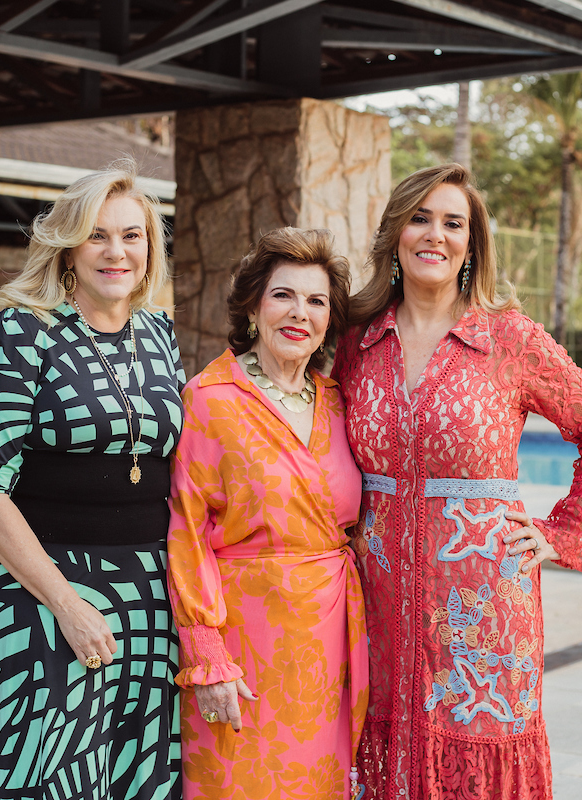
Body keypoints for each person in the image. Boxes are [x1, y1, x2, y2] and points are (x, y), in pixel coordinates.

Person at [332, 163, 582, 800]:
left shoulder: (509, 339)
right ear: (396, 233)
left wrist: (565, 531)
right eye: (419, 218)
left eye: (452, 223)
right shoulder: (357, 340)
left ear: (472, 243)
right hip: (376, 603)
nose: (434, 235)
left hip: (484, 609)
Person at [0, 164, 184, 800]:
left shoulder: (158, 335)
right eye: (98, 235)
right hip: (49, 588)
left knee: (138, 773)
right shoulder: (23, 331)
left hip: (150, 588)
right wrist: (67, 603)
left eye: (133, 236)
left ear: (150, 248)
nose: (118, 252)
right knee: (49, 770)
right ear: (68, 246)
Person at [167, 227, 367, 800]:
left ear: (329, 320)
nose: (299, 312)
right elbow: (187, 531)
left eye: (316, 300)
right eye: (283, 295)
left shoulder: (335, 401)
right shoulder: (210, 398)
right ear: (254, 305)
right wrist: (208, 656)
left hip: (330, 639)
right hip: (244, 640)